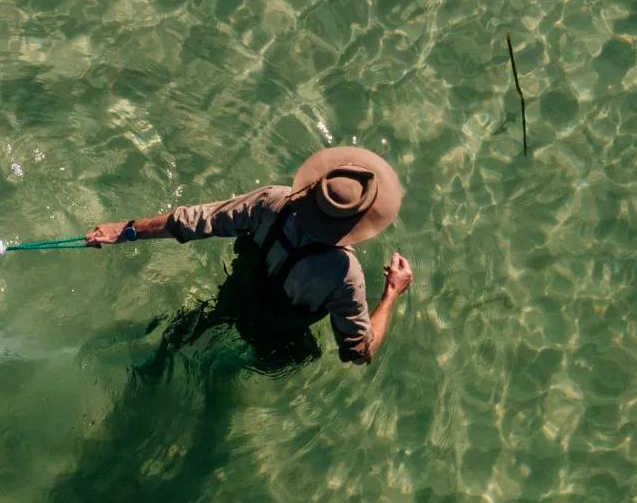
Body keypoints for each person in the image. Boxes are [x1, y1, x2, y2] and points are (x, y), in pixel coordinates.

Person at [84, 145, 415, 368]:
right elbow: (357, 352)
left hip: (235, 295)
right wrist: (390, 293)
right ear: (359, 221)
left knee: (198, 326)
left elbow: (194, 221)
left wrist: (126, 230)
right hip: (275, 336)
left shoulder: (272, 202)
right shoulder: (344, 274)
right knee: (303, 355)